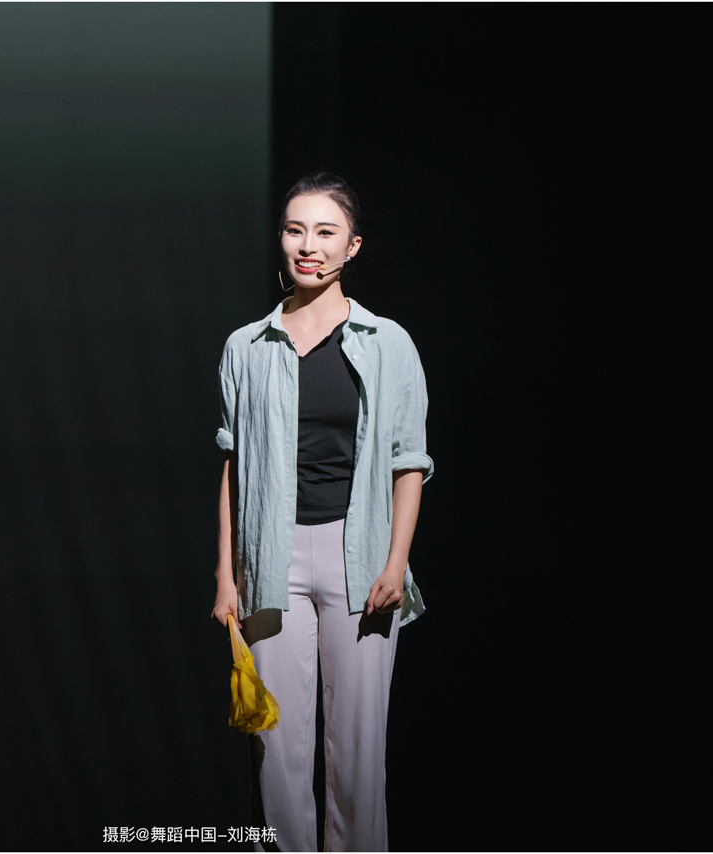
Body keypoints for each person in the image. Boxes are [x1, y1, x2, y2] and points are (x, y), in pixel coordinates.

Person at [211, 172, 434, 852]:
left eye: (325, 231)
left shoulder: (387, 342)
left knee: (358, 758)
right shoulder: (246, 347)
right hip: (269, 559)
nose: (308, 245)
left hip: (358, 556)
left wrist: (396, 562)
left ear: (352, 245)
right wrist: (225, 575)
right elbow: (234, 464)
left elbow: (409, 463)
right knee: (275, 750)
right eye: (295, 230)